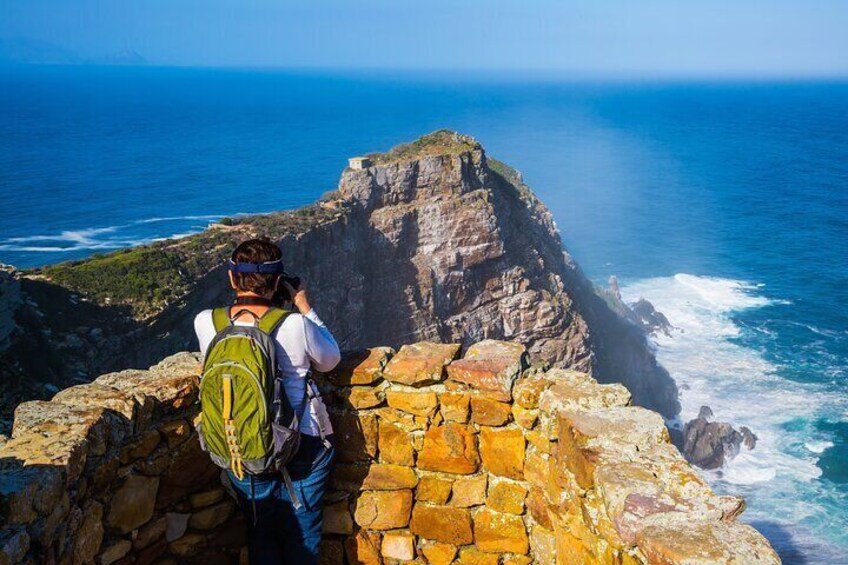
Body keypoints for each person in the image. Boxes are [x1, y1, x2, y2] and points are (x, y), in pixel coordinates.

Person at [194, 238, 340, 564]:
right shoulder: (294, 324)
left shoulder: (207, 322)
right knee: (302, 534)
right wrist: (302, 303)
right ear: (277, 282)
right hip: (302, 443)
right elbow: (331, 359)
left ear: (233, 279)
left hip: (242, 444)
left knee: (260, 532)